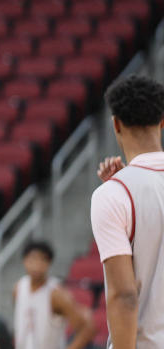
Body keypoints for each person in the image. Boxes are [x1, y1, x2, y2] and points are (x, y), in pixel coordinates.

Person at [90, 74, 164, 348]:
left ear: (115, 124)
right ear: (162, 121)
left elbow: (124, 296)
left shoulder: (112, 195)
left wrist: (123, 186)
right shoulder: (117, 191)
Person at [13, 241, 94, 349]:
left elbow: (88, 328)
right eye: (33, 259)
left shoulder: (56, 294)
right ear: (24, 261)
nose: (37, 265)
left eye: (42, 259)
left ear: (49, 263)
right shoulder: (18, 287)